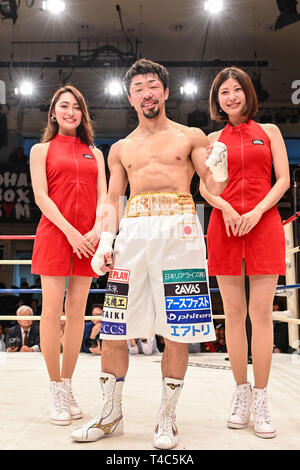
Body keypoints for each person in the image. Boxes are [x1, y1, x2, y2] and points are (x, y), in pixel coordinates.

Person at [71, 59, 227, 449]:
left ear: (166, 92)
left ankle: (167, 418)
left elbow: (213, 188)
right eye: (139, 86)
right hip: (135, 234)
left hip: (181, 232)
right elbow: (110, 199)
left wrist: (220, 169)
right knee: (113, 326)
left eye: (153, 85)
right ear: (130, 97)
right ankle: (110, 416)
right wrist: (106, 240)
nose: (147, 92)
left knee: (178, 330)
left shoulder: (191, 136)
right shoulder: (121, 148)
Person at [200, 67, 290, 438]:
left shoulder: (269, 132)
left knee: (262, 315)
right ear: (217, 100)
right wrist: (226, 208)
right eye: (224, 92)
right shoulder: (212, 137)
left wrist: (255, 212)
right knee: (234, 316)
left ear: (248, 93)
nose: (232, 96)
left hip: (263, 223)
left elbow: (282, 179)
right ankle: (241, 393)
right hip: (225, 225)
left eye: (238, 90)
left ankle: (263, 399)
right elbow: (206, 187)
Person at [29, 85, 107, 426]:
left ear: (82, 113)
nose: (70, 111)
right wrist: (71, 232)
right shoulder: (40, 150)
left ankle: (69, 383)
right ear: (53, 112)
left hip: (88, 241)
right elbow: (42, 198)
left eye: (76, 106)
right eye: (64, 106)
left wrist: (94, 232)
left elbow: (105, 200)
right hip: (55, 235)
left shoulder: (95, 152)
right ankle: (55, 386)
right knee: (51, 311)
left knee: (77, 313)